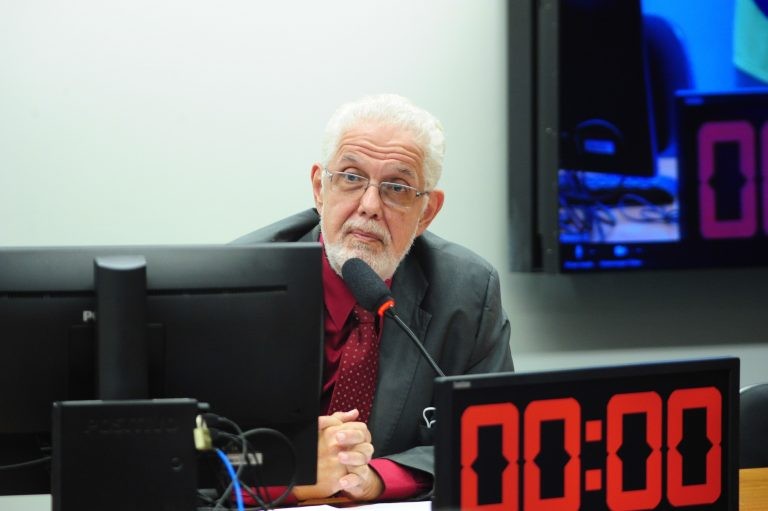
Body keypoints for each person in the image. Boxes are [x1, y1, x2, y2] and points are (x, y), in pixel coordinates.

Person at [233, 93, 513, 503]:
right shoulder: (239, 281)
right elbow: (188, 454)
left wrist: (375, 479)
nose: (369, 206)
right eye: (351, 177)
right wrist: (294, 475)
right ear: (319, 188)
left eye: (397, 187)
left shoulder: (468, 291)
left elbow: (494, 441)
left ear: (427, 212)